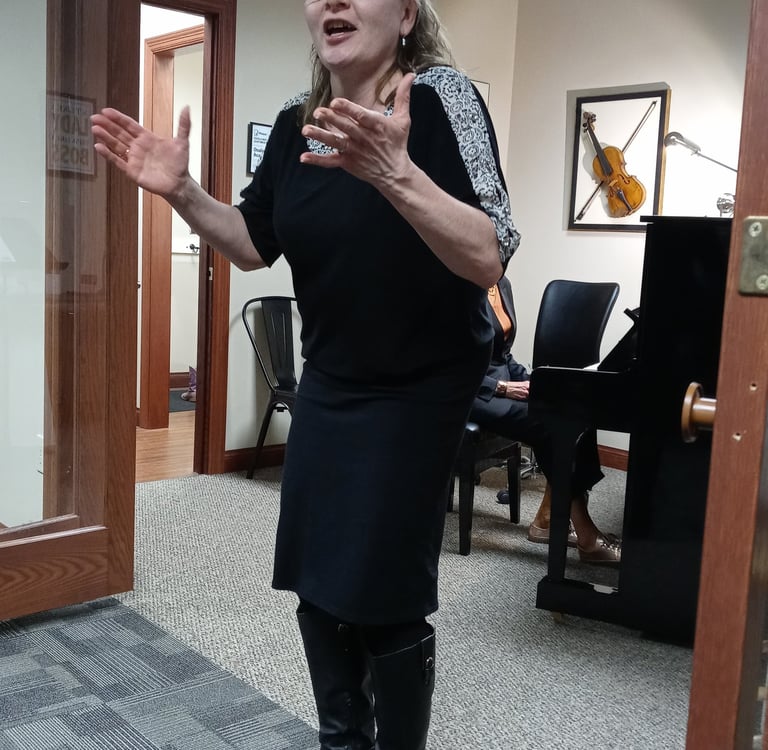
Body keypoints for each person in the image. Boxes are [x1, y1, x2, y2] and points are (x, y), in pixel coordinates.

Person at [92, 1, 519, 748]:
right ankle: (340, 740)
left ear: (407, 14)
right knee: (317, 583)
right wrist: (182, 193)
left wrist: (395, 174)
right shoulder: (298, 123)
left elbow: (488, 254)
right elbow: (253, 244)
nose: (334, 1)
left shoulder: (440, 98)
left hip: (421, 388)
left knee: (384, 592)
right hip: (330, 380)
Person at [469, 275, 621, 565]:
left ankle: (549, 518)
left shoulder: (502, 284)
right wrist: (503, 388)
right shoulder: (460, 283)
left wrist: (536, 381)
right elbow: (449, 362)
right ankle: (585, 534)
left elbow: (503, 355)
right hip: (473, 392)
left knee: (577, 409)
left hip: (501, 384)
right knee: (551, 424)